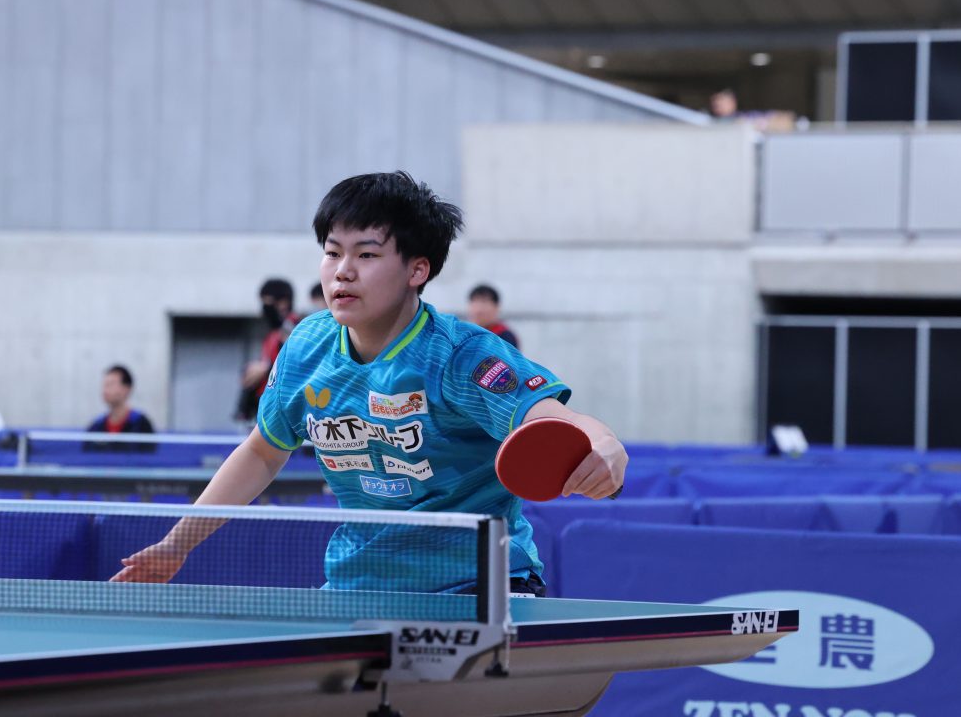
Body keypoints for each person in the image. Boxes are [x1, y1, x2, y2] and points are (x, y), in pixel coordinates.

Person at [113, 171, 627, 595]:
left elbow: (553, 419)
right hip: (358, 586)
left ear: (416, 270)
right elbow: (263, 452)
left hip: (479, 587)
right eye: (333, 253)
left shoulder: (461, 357)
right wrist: (177, 545)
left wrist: (602, 444)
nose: (342, 272)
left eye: (367, 254)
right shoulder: (307, 346)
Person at [234, 279, 300, 422]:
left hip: (281, 406)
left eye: (267, 303)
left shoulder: (294, 327)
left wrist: (265, 368)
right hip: (264, 403)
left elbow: (296, 364)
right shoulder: (274, 332)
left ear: (283, 302)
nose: (264, 308)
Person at [85, 365, 155, 450]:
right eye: (104, 385)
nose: (105, 390)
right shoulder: (96, 426)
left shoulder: (141, 424)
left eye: (110, 385)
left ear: (126, 389)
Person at [467, 283, 520, 349]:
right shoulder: (465, 335)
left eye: (484, 303)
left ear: (496, 307)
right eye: (474, 303)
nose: (478, 310)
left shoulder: (504, 337)